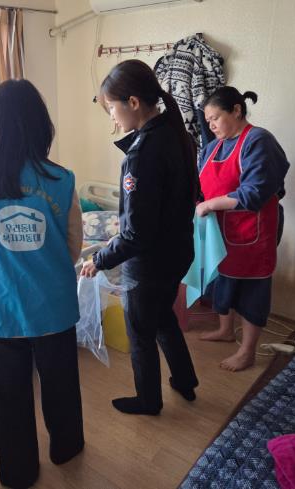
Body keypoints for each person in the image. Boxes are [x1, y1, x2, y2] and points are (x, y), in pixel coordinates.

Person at [0, 79, 84, 489]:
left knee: (8, 396)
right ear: (41, 125)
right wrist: (42, 266)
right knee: (61, 386)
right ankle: (66, 448)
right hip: (52, 305)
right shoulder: (61, 179)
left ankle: (18, 472)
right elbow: (73, 246)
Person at [81, 60, 199, 416]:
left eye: (111, 108)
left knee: (140, 333)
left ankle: (148, 401)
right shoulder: (177, 135)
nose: (112, 118)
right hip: (178, 250)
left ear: (133, 102)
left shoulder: (143, 152)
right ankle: (185, 381)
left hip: (150, 263)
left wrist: (99, 259)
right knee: (163, 317)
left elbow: (136, 233)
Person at [196, 86, 290, 372]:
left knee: (252, 290)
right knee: (223, 281)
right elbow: (201, 184)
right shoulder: (213, 147)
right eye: (208, 120)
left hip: (253, 231)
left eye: (215, 118)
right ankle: (226, 330)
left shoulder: (258, 141)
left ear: (237, 110)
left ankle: (247, 351)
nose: (211, 126)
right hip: (221, 231)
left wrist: (210, 204)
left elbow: (254, 193)